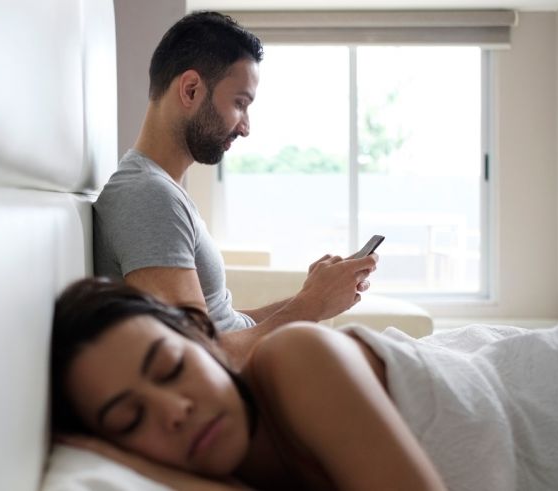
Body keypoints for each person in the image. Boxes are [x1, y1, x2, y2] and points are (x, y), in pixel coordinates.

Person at [51, 277, 558, 491]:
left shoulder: (296, 358)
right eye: (129, 419)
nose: (172, 410)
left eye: (170, 367)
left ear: (204, 340)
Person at [93, 11, 378, 364]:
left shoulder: (161, 189)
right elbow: (197, 358)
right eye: (239, 103)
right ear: (191, 89)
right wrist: (311, 305)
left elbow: (219, 324)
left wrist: (310, 297)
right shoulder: (147, 197)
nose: (245, 127)